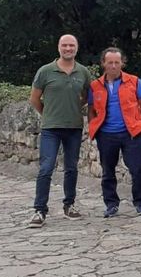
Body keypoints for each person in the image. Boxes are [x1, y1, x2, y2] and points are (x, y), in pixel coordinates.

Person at [28, 34, 93, 227]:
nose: (68, 49)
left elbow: (86, 97)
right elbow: (34, 99)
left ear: (76, 48)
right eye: (64, 45)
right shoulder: (45, 71)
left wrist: (73, 108)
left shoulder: (83, 72)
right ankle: (40, 210)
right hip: (51, 128)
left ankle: (69, 204)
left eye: (71, 45)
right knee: (46, 168)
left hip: (73, 127)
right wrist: (47, 114)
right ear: (58, 47)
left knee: (71, 168)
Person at [87, 47, 141, 217]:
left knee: (137, 169)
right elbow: (91, 110)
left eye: (117, 62)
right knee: (108, 170)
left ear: (122, 63)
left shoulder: (134, 81)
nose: (113, 66)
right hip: (106, 134)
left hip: (131, 133)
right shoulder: (95, 86)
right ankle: (111, 204)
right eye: (110, 62)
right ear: (103, 64)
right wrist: (94, 126)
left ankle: (140, 203)